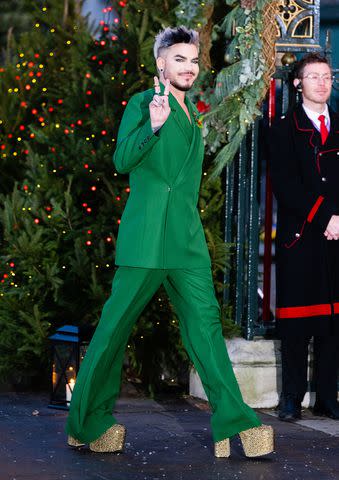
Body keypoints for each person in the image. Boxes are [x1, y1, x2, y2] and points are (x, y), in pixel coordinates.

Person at [65, 26, 273, 457]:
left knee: (206, 329)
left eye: (194, 61)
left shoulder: (195, 114)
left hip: (185, 241)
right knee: (112, 331)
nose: (189, 68)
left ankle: (235, 423)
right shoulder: (144, 103)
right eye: (179, 59)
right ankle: (86, 422)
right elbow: (122, 160)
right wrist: (153, 127)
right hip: (144, 239)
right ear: (161, 62)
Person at [268, 53, 339, 421]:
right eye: (313, 76)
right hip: (302, 235)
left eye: (327, 76)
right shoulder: (282, 129)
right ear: (298, 84)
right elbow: (286, 185)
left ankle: (328, 397)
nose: (322, 83)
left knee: (333, 323)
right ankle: (292, 397)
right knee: (296, 325)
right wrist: (327, 217)